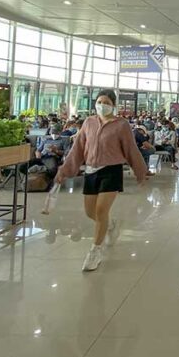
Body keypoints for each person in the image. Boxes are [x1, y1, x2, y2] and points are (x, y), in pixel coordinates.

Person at [56, 89, 149, 272]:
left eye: (106, 102)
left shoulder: (121, 125)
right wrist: (65, 170)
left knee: (100, 210)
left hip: (111, 170)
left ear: (113, 105)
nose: (101, 105)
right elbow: (78, 148)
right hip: (91, 171)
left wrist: (140, 171)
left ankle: (95, 250)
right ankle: (111, 224)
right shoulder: (89, 123)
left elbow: (131, 149)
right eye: (99, 101)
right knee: (91, 212)